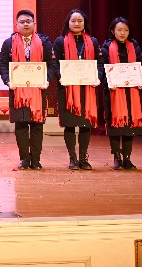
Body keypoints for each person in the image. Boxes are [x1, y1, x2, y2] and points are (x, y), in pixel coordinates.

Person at [0, 9, 56, 170]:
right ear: (16, 24)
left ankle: (35, 160)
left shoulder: (44, 42)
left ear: (34, 23)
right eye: (22, 22)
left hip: (38, 91)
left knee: (37, 126)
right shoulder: (8, 43)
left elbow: (51, 64)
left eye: (28, 21)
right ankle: (24, 159)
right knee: (21, 126)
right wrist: (8, 80)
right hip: (17, 91)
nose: (25, 24)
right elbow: (2, 64)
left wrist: (46, 79)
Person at [52, 9, 101, 170]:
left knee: (85, 124)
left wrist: (98, 77)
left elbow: (99, 63)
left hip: (87, 89)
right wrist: (61, 77)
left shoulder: (93, 41)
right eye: (73, 21)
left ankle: (83, 158)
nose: (76, 23)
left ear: (85, 23)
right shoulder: (60, 41)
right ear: (68, 23)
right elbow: (55, 64)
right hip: (67, 89)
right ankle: (73, 158)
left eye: (80, 21)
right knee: (70, 124)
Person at [99, 17, 142, 170]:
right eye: (119, 30)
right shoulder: (106, 47)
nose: (122, 33)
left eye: (126, 30)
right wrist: (108, 83)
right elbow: (102, 69)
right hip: (113, 92)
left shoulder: (135, 46)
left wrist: (141, 80)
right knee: (115, 125)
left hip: (132, 92)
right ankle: (117, 158)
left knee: (129, 125)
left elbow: (141, 67)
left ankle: (127, 158)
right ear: (112, 31)